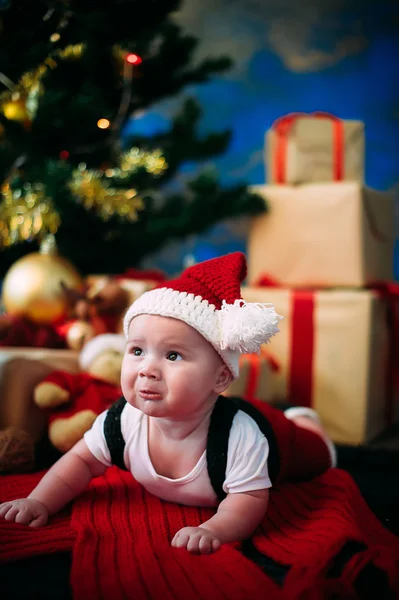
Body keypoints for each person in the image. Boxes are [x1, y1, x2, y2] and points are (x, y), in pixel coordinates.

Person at [0, 252, 336, 555]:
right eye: (136, 351)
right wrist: (40, 500)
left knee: (317, 454)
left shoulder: (240, 437)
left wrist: (214, 529)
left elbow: (248, 499)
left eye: (173, 355)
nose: (147, 369)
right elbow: (81, 462)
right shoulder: (121, 421)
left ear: (220, 378)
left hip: (275, 435)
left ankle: (305, 420)